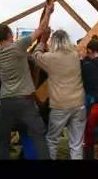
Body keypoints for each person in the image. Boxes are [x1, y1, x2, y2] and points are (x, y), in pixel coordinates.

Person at [0, 4, 53, 160]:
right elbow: (40, 30)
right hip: (24, 100)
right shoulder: (18, 46)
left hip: (5, 102)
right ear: (10, 35)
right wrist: (48, 13)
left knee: (3, 140)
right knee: (38, 135)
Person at [32, 28, 86, 160]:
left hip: (59, 104)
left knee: (52, 140)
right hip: (79, 103)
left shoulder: (49, 58)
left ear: (54, 42)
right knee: (77, 142)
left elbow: (35, 56)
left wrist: (43, 40)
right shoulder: (75, 55)